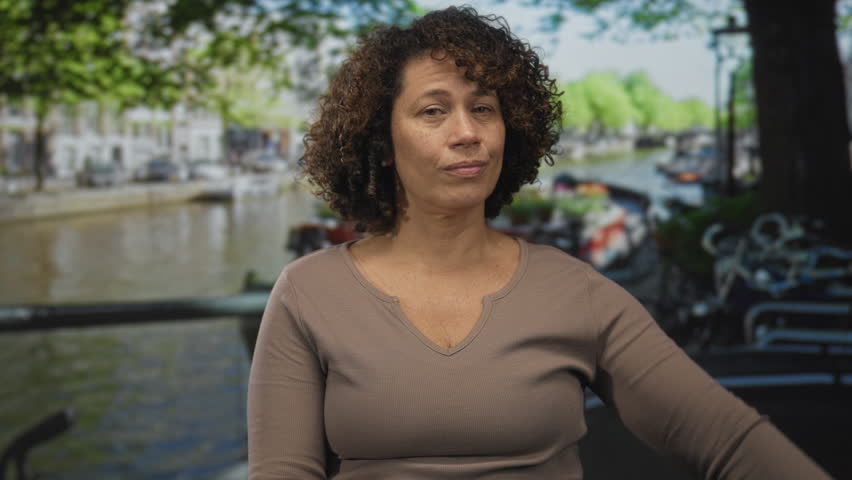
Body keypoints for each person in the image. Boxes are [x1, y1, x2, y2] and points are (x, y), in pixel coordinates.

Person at [247, 6, 830, 479]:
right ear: (381, 141)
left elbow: (723, 436)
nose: (467, 132)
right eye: (433, 111)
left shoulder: (574, 290)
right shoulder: (308, 293)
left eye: (483, 109)